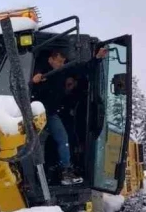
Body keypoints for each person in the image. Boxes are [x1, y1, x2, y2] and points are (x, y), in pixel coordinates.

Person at [31, 46, 108, 185]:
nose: (61, 64)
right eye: (59, 61)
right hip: (34, 113)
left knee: (63, 138)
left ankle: (65, 171)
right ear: (51, 59)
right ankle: (33, 174)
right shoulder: (39, 68)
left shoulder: (63, 71)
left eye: (63, 61)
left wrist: (97, 58)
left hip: (51, 113)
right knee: (33, 142)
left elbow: (83, 69)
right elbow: (31, 80)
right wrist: (35, 79)